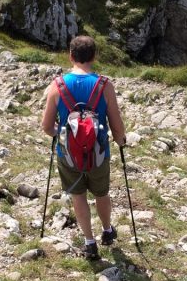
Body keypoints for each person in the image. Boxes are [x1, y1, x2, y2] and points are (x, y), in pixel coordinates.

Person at [40, 35, 127, 260]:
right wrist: (121, 140)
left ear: (70, 56)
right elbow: (116, 123)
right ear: (94, 56)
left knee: (78, 195)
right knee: (101, 192)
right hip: (99, 153)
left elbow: (46, 126)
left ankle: (89, 242)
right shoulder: (104, 85)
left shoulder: (57, 86)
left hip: (68, 155)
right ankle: (107, 231)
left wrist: (62, 134)